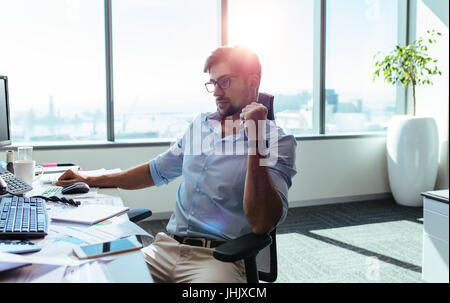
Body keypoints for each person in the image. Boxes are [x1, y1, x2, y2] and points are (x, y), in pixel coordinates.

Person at [56, 45, 297, 283]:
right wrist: (89, 179)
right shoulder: (200, 125)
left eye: (225, 82)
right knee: (92, 275)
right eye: (213, 83)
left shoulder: (277, 140)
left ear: (253, 82)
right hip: (165, 250)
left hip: (219, 261)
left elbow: (262, 222)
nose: (216, 93)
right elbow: (155, 171)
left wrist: (255, 140)